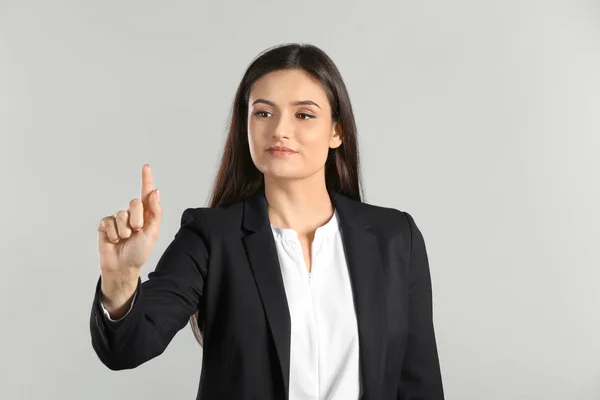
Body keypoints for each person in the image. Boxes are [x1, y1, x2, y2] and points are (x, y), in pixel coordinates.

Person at [90, 43, 444, 400]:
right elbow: (128, 348)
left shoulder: (395, 238)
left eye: (304, 115)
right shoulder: (211, 237)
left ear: (337, 131)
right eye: (263, 113)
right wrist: (120, 283)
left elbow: (419, 383)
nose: (279, 130)